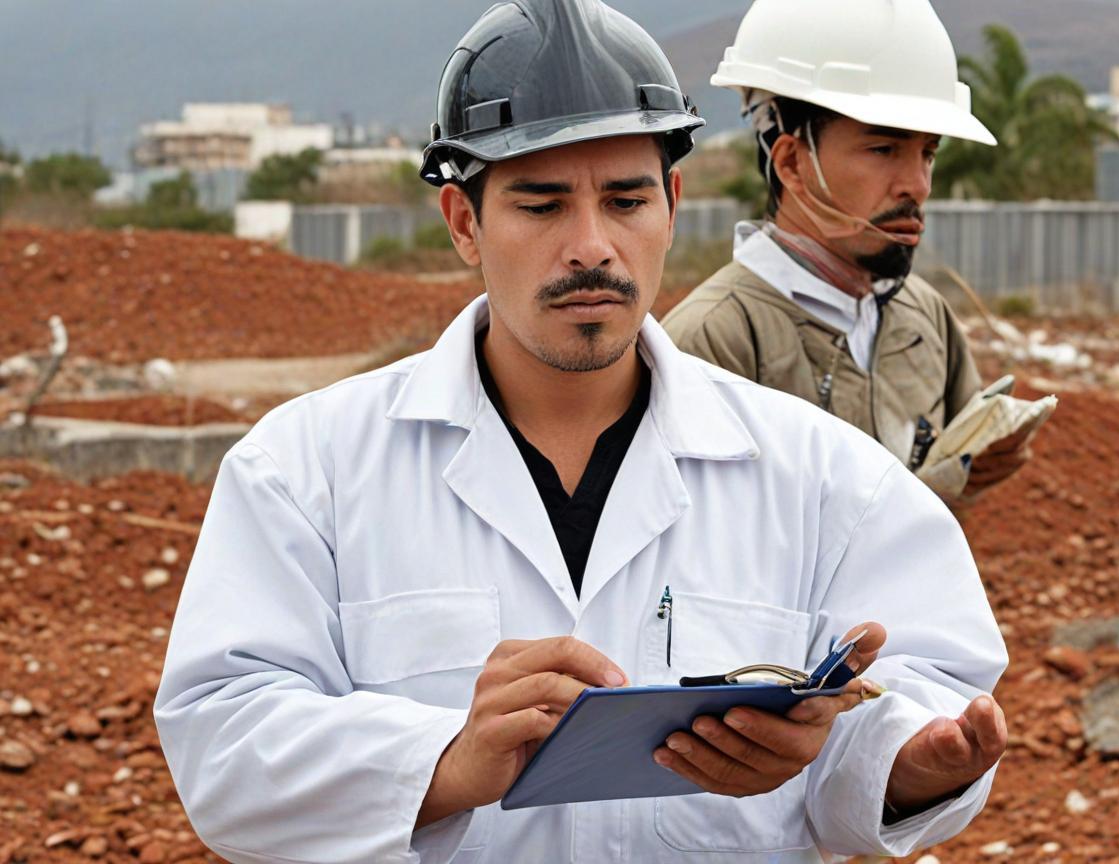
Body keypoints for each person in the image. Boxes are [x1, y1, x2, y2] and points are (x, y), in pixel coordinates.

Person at [154, 2, 1008, 862]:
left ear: (672, 205)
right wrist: (449, 762)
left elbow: (926, 684)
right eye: (542, 205)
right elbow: (224, 741)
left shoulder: (826, 479)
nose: (592, 247)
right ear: (463, 222)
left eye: (626, 200)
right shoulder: (307, 473)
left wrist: (895, 761)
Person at [662, 0, 1036, 500]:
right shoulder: (710, 343)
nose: (917, 185)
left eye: (928, 153)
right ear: (792, 163)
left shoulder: (925, 319)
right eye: (884, 150)